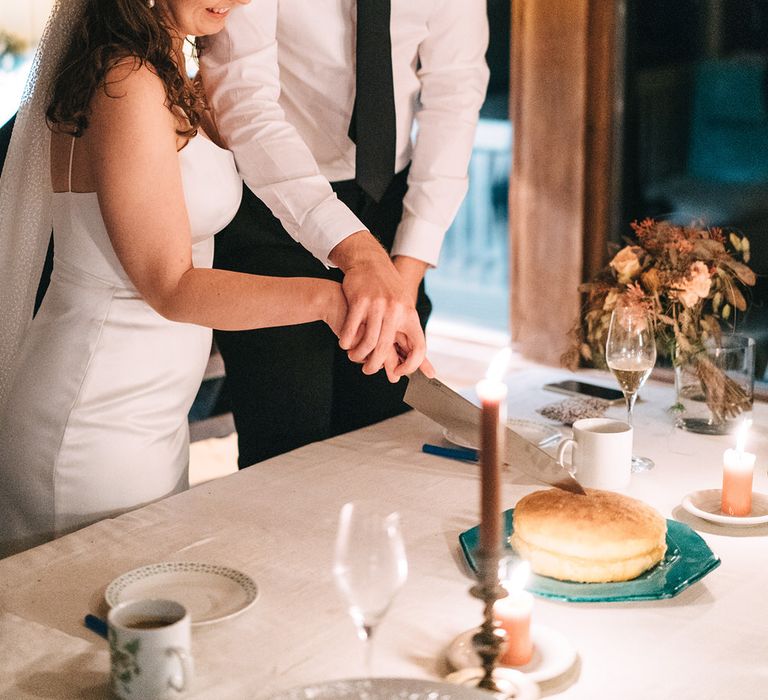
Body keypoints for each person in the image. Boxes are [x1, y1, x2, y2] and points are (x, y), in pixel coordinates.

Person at [0, 0, 418, 559]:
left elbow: (261, 132)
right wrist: (329, 299)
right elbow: (171, 285)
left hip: (154, 410)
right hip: (95, 416)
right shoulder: (125, 79)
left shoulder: (173, 72)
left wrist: (365, 266)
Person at [200, 1, 490, 467]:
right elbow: (241, 95)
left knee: (383, 439)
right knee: (286, 451)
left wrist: (408, 269)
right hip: (273, 200)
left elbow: (455, 93)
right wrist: (359, 256)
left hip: (390, 206)